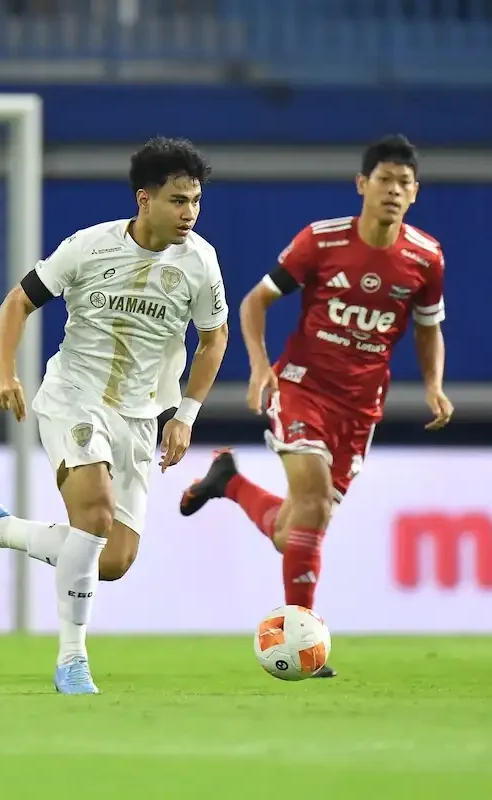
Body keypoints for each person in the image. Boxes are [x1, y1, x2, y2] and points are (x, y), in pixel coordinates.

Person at [0, 137, 229, 694]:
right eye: (178, 200)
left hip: (141, 413)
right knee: (95, 515)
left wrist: (185, 414)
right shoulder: (88, 247)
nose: (189, 213)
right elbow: (17, 302)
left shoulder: (200, 261)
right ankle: (72, 660)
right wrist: (5, 372)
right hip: (75, 395)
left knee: (113, 560)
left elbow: (213, 339)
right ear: (144, 199)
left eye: (196, 200)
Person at [180, 134, 453, 678]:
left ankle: (229, 482)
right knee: (312, 496)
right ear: (362, 185)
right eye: (384, 180)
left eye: (404, 183)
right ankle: (301, 628)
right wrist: (262, 368)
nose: (393, 191)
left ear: (415, 193)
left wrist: (433, 384)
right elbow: (256, 301)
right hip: (302, 386)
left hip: (360, 409)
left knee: (300, 524)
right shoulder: (322, 242)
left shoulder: (425, 258)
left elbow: (429, 329)